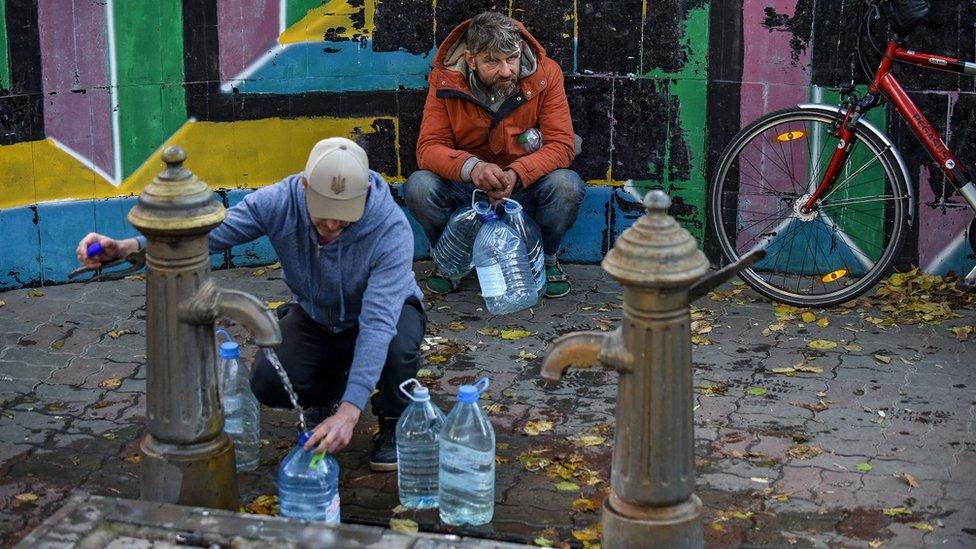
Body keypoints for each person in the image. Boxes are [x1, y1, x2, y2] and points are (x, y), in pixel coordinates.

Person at [75, 137, 425, 472]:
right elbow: (206, 236)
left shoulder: (390, 228)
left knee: (397, 345)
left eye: (344, 215)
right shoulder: (279, 202)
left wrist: (351, 413)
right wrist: (128, 248)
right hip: (319, 315)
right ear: (304, 186)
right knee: (269, 381)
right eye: (324, 213)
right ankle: (327, 393)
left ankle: (394, 418)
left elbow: (378, 323)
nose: (333, 225)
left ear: (364, 193)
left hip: (386, 313)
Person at [404, 10, 585, 299]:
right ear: (470, 59)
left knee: (566, 185)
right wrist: (473, 169)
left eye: (512, 58)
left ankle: (546, 259)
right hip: (468, 189)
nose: (506, 70)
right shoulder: (444, 79)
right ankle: (451, 263)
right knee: (419, 186)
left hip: (523, 187)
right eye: (492, 61)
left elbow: (562, 143)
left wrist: (517, 173)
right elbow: (429, 147)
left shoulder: (545, 74)